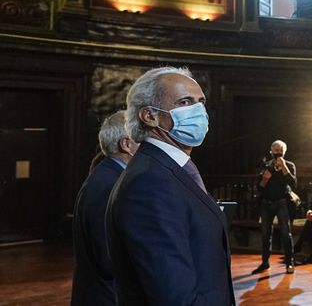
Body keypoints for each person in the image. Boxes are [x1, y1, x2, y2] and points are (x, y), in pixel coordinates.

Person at [106, 67, 235, 305]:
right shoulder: (149, 182)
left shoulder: (171, 169)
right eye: (185, 102)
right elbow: (175, 297)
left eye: (201, 102)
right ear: (149, 116)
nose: (199, 111)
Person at [72, 111, 137, 306]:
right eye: (144, 138)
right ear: (126, 144)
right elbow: (108, 258)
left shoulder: (108, 175)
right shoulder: (109, 185)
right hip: (107, 298)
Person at [253, 140, 298, 274]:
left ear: (284, 152)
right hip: (266, 202)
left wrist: (284, 167)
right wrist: (265, 179)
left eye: (281, 151)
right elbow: (259, 187)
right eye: (276, 150)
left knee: (286, 233)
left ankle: (289, 263)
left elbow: (293, 183)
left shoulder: (289, 165)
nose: (278, 153)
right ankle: (265, 262)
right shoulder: (266, 165)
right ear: (271, 151)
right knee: (266, 234)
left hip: (282, 202)